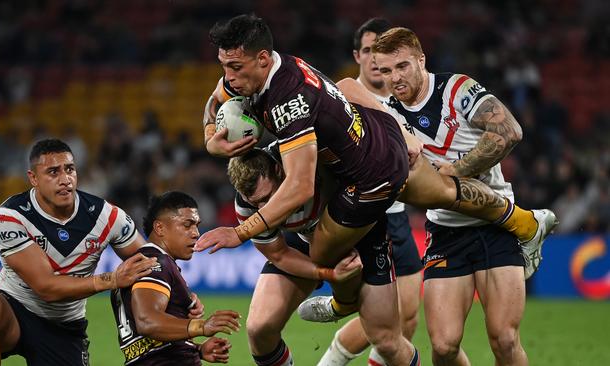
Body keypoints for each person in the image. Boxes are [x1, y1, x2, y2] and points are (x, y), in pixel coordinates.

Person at [195, 14, 554, 366]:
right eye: (224, 66)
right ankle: (526, 222)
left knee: (326, 253)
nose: (228, 77)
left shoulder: (289, 101)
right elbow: (347, 88)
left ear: (261, 59)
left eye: (235, 68)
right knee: (445, 198)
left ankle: (341, 303)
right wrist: (212, 138)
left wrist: (240, 232)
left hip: (370, 182)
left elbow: (300, 186)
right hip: (397, 169)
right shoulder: (270, 71)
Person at [370, 26, 543, 365]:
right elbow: (346, 91)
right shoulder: (388, 114)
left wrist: (452, 172)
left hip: (496, 225)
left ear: (422, 60)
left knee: (505, 339)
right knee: (445, 346)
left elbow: (510, 131)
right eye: (386, 71)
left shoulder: (456, 89)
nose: (395, 78)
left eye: (402, 66)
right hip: (446, 232)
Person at [0, 138, 158, 366]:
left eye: (70, 169)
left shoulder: (106, 216)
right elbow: (46, 287)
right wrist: (112, 279)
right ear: (33, 178)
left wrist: (182, 297)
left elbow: (152, 261)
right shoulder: (12, 216)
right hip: (14, 310)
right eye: (53, 172)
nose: (65, 179)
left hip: (64, 325)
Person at [317, 18, 424, 366]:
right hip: (363, 219)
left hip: (399, 218)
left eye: (383, 51)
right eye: (368, 51)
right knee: (384, 326)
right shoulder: (348, 99)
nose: (376, 60)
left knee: (407, 319)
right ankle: (330, 357)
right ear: (357, 55)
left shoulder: (406, 99)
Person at [225, 145, 363, 366]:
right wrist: (325, 273)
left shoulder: (313, 159)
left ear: (279, 170)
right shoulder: (247, 205)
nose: (263, 211)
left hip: (357, 231)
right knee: (258, 329)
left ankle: (338, 306)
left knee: (387, 327)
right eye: (255, 203)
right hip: (301, 239)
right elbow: (279, 255)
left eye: (267, 198)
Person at [110, 191, 240, 365]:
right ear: (160, 228)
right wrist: (201, 326)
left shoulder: (137, 265)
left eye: (196, 225)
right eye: (187, 225)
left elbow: (149, 345)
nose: (196, 233)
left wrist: (196, 349)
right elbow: (147, 322)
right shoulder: (156, 263)